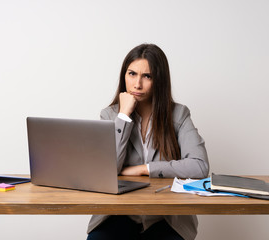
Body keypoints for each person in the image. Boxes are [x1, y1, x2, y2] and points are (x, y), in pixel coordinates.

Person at [86, 43, 209, 240]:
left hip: (167, 217)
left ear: (159, 80)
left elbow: (199, 166)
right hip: (118, 214)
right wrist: (124, 116)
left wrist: (145, 168)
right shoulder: (110, 115)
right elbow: (107, 169)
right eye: (132, 74)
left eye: (147, 76)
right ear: (124, 76)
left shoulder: (179, 114)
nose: (137, 84)